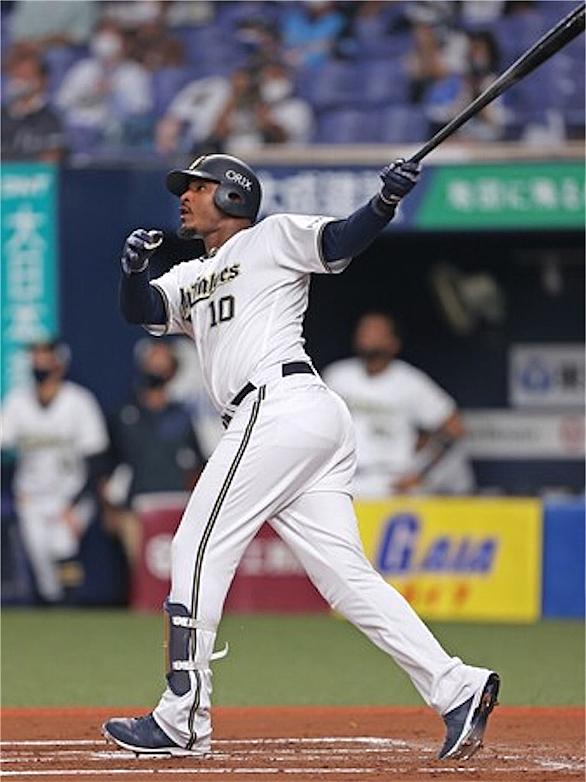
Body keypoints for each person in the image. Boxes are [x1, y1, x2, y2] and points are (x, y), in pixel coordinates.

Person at [103, 153, 499, 760]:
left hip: (279, 405)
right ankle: (456, 687)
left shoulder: (272, 237)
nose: (184, 196)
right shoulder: (191, 274)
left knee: (195, 546)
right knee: (345, 578)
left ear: (233, 195)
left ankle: (182, 716)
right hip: (296, 420)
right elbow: (144, 311)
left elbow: (340, 241)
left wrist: (384, 202)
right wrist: (132, 271)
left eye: (198, 187)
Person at [0, 340, 109, 604]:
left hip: (70, 494)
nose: (39, 365)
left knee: (62, 544)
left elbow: (96, 458)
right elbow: (3, 447)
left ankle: (70, 606)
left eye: (45, 359)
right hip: (32, 495)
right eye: (36, 359)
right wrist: (12, 490)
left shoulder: (79, 401)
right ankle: (55, 608)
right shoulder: (18, 402)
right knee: (42, 562)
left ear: (59, 364)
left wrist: (76, 502)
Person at [324, 312, 475, 498]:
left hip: (394, 481)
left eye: (376, 331)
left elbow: (454, 428)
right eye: (364, 329)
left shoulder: (409, 380)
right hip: (347, 477)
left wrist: (423, 474)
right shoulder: (337, 376)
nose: (367, 335)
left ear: (393, 343)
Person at [104, 338, 205, 567]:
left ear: (172, 370)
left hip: (176, 506)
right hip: (136, 506)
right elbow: (107, 464)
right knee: (141, 572)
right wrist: (109, 508)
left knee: (179, 567)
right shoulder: (124, 413)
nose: (157, 369)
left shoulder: (182, 415)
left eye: (163, 363)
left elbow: (198, 465)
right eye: (153, 363)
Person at [56, 20, 152, 146]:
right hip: (81, 129)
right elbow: (62, 101)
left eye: (112, 38)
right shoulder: (83, 69)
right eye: (102, 37)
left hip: (118, 133)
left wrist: (115, 92)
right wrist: (90, 93)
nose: (106, 42)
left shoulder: (134, 72)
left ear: (123, 43)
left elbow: (141, 108)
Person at [1, 50, 66, 162]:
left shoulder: (52, 118)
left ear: (41, 81)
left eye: (26, 76)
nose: (19, 82)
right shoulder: (2, 116)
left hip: (33, 172)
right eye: (16, 76)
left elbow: (52, 158)